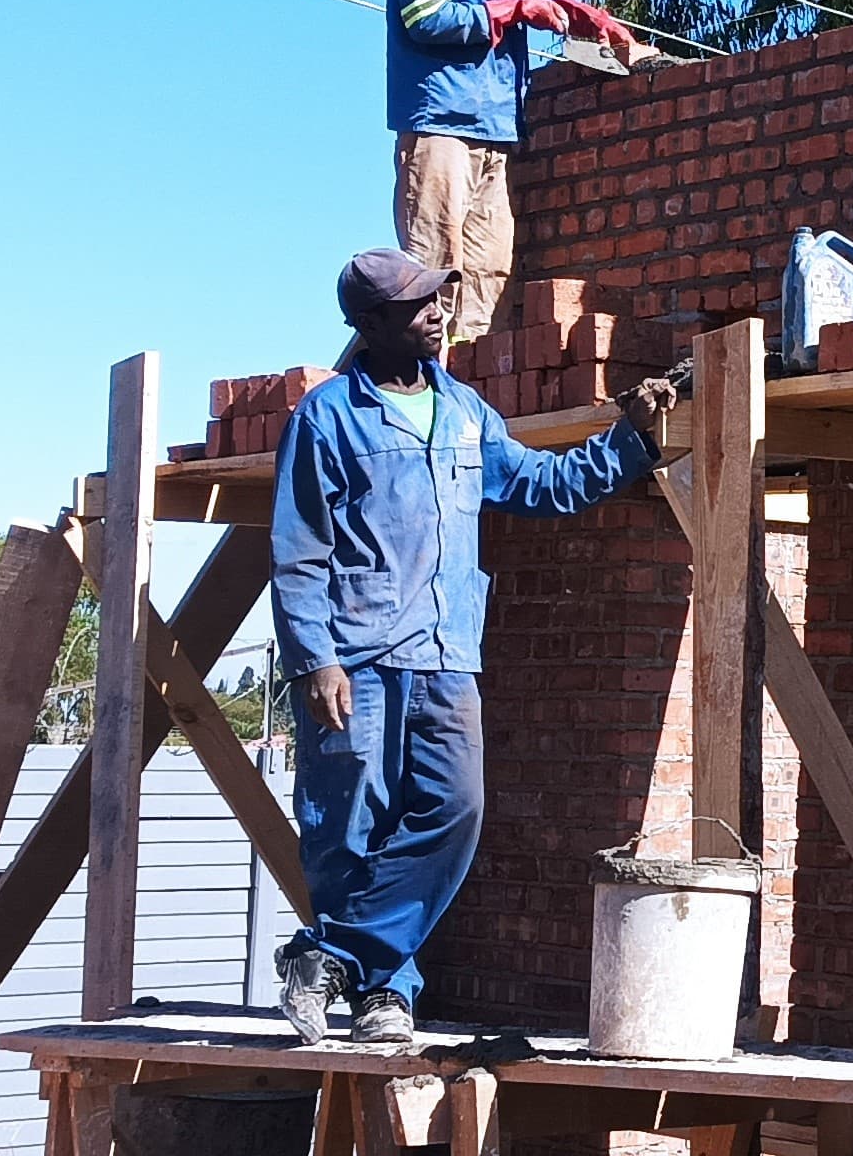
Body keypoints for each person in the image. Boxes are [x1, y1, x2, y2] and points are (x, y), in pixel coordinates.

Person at [268, 247, 675, 1042]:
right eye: (419, 304)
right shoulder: (326, 419)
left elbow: (541, 485)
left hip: (448, 653)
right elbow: (298, 550)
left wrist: (630, 438)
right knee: (351, 823)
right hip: (357, 652)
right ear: (371, 323)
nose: (437, 313)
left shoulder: (464, 412)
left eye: (439, 300)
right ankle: (385, 993)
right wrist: (314, 659)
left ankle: (329, 956)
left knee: (456, 808)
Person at [390, 0, 642, 343]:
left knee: (489, 273)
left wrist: (574, 11)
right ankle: (424, 391)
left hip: (496, 130)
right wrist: (507, 12)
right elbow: (421, 16)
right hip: (440, 125)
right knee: (436, 270)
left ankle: (471, 396)